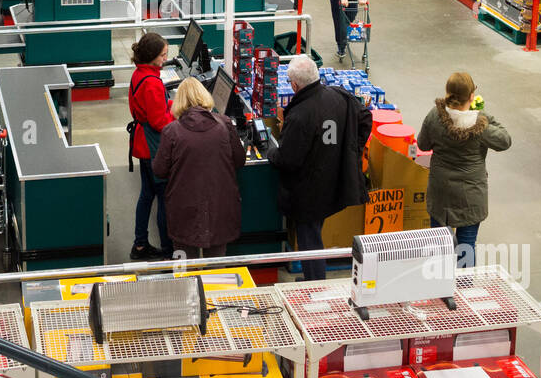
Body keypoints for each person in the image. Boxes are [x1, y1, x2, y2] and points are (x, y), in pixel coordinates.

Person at [268, 55, 371, 282]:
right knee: (314, 231)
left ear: (294, 85)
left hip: (309, 191)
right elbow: (365, 117)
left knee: (309, 240)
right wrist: (351, 150)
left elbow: (287, 159)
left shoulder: (300, 114)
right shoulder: (339, 96)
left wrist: (270, 151)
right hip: (334, 179)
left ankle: (315, 286)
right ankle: (312, 279)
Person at [416, 72, 512, 267]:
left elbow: (423, 145)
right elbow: (505, 141)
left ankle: (437, 289)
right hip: (470, 195)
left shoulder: (435, 116)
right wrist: (483, 114)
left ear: (447, 93)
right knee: (466, 246)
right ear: (471, 96)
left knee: (439, 244)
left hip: (440, 191)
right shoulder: (480, 124)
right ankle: (463, 289)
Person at [151, 77, 246, 260]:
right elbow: (239, 160)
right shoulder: (225, 124)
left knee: (185, 265)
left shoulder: (171, 131)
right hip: (220, 204)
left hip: (183, 208)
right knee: (217, 269)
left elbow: (159, 170)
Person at [127, 33, 174, 260]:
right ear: (153, 55)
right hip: (154, 149)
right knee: (164, 199)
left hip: (141, 144)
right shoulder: (153, 83)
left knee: (146, 195)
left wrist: (176, 103)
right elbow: (159, 122)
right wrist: (180, 118)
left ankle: (140, 244)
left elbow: (151, 109)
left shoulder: (139, 75)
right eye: (163, 54)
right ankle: (167, 249)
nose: (166, 58)